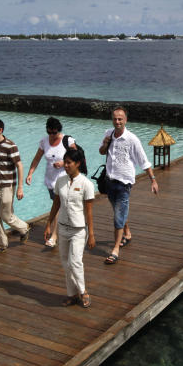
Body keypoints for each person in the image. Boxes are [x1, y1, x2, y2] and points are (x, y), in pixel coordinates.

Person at [98, 106, 158, 265]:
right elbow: (102, 152)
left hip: (124, 184)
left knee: (118, 217)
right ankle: (128, 233)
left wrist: (153, 179)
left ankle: (115, 250)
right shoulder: (108, 133)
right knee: (118, 211)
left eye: (120, 119)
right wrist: (105, 144)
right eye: (115, 119)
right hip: (110, 181)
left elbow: (143, 161)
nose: (117, 122)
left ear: (126, 120)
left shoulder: (132, 139)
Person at [45, 147, 95, 308]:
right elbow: (56, 204)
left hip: (78, 230)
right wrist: (48, 223)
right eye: (65, 162)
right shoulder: (60, 181)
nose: (65, 165)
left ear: (77, 163)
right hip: (62, 228)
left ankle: (83, 291)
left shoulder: (86, 184)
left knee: (75, 263)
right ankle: (71, 294)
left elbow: (89, 212)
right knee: (65, 263)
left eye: (69, 163)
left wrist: (92, 234)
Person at [25, 117, 76, 248]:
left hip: (65, 180)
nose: (52, 135)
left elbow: (77, 159)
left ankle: (54, 236)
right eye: (49, 132)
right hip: (51, 181)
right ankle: (67, 230)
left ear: (59, 130)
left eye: (54, 133)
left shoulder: (68, 141)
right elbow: (37, 159)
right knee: (61, 207)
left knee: (59, 207)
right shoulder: (44, 142)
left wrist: (64, 163)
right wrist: (30, 173)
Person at [0, 117, 30, 255]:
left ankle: (24, 228)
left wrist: (20, 187)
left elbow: (19, 166)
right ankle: (2, 244)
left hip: (7, 186)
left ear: (0, 130)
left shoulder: (11, 146)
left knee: (6, 216)